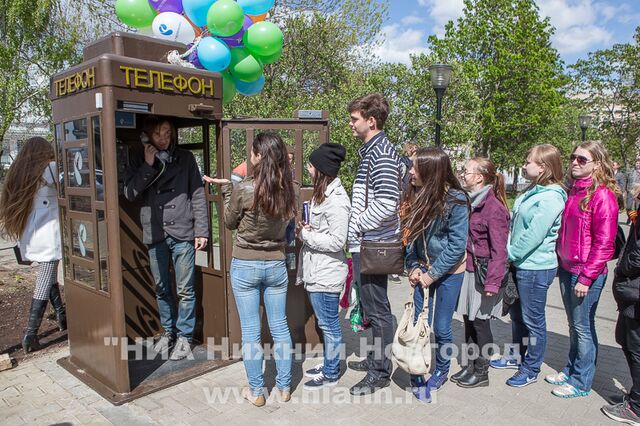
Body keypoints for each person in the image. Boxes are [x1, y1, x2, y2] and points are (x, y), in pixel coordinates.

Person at [205, 132, 297, 407]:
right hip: (276, 264)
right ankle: (284, 387)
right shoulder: (287, 188)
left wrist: (226, 191)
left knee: (251, 331)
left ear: (258, 156)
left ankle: (256, 391)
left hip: (245, 263)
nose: (250, 157)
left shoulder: (245, 189)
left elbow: (230, 222)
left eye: (253, 153)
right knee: (280, 327)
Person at [124, 116, 209, 361]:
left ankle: (184, 336)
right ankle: (168, 331)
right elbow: (130, 193)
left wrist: (201, 230)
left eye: (168, 133)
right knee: (161, 287)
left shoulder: (185, 158)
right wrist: (148, 164)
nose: (164, 138)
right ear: (148, 135)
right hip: (156, 232)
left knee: (185, 289)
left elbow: (197, 194)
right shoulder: (139, 158)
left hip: (182, 232)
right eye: (159, 134)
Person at [490, 144, 567, 389]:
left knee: (533, 320)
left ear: (543, 166)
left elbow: (534, 234)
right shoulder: (534, 190)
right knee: (517, 316)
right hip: (520, 265)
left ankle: (531, 367)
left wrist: (509, 253)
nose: (524, 165)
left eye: (528, 161)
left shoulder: (551, 197)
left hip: (535, 267)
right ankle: (515, 356)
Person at [549, 140, 620, 398]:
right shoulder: (572, 190)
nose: (575, 162)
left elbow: (604, 244)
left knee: (583, 326)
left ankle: (581, 381)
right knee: (572, 324)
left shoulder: (602, 196)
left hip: (585, 273)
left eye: (582, 159)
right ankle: (571, 368)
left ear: (597, 164)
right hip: (568, 268)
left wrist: (587, 277)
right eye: (573, 157)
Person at [345, 93, 402, 396]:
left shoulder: (380, 152)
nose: (350, 124)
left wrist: (358, 225)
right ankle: (375, 360)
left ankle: (380, 372)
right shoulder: (372, 150)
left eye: (354, 119)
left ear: (372, 120)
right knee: (370, 306)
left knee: (377, 310)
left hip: (374, 244)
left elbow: (387, 202)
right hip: (368, 243)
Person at [403, 147, 469, 402]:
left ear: (430, 171)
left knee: (441, 327)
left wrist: (432, 274)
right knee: (418, 324)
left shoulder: (457, 200)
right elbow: (410, 238)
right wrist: (413, 266)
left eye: (414, 166)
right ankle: (417, 372)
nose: (410, 171)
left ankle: (441, 369)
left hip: (450, 273)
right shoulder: (417, 195)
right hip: (423, 271)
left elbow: (456, 246)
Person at [0, 137, 66, 353]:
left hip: (32, 235)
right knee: (45, 278)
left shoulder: (22, 173)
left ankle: (62, 315)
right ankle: (31, 333)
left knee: (49, 275)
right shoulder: (51, 169)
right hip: (49, 235)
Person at [296, 143, 350, 390]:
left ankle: (331, 373)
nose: (308, 169)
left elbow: (339, 240)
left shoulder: (337, 200)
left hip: (327, 273)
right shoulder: (324, 194)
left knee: (329, 325)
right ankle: (330, 364)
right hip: (318, 270)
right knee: (326, 323)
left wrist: (307, 237)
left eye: (310, 165)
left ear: (321, 170)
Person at [453, 158, 510, 388]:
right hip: (469, 270)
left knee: (480, 323)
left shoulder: (494, 208)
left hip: (484, 274)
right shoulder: (470, 202)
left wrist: (492, 284)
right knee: (469, 319)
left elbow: (500, 251)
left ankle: (482, 371)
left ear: (479, 177)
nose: (462, 174)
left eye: (466, 171)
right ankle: (469, 366)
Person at [602, 185, 640, 424]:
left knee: (636, 347)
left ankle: (636, 407)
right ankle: (635, 396)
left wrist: (623, 269)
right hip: (631, 291)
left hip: (635, 289)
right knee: (626, 341)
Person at [627, 157, 640, 224]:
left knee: (637, 207)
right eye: (637, 163)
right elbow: (628, 180)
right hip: (631, 191)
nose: (638, 164)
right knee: (628, 207)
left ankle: (634, 220)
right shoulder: (631, 171)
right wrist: (627, 189)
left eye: (639, 163)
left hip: (638, 193)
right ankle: (630, 217)